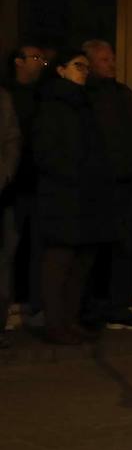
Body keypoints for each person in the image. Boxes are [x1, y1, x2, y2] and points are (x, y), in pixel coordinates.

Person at [32, 50, 116, 345]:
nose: (84, 71)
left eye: (86, 67)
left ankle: (69, 320)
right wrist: (73, 173)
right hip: (63, 194)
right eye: (78, 66)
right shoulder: (52, 104)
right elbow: (46, 151)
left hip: (87, 194)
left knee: (81, 261)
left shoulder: (86, 103)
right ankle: (55, 323)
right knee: (59, 261)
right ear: (60, 70)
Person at [82, 40, 132, 331]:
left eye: (112, 59)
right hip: (95, 183)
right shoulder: (86, 96)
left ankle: (120, 305)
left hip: (125, 182)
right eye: (105, 60)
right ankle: (90, 307)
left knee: (124, 246)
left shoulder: (122, 94)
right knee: (93, 247)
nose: (112, 64)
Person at [3, 45, 45, 327]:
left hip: (39, 183)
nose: (41, 63)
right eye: (35, 58)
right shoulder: (8, 96)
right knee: (8, 250)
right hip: (12, 187)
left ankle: (38, 309)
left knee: (40, 250)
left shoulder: (43, 96)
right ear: (18, 62)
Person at [0, 86, 20, 347]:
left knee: (3, 259)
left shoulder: (3, 98)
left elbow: (12, 139)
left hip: (1, 193)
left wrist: (4, 175)